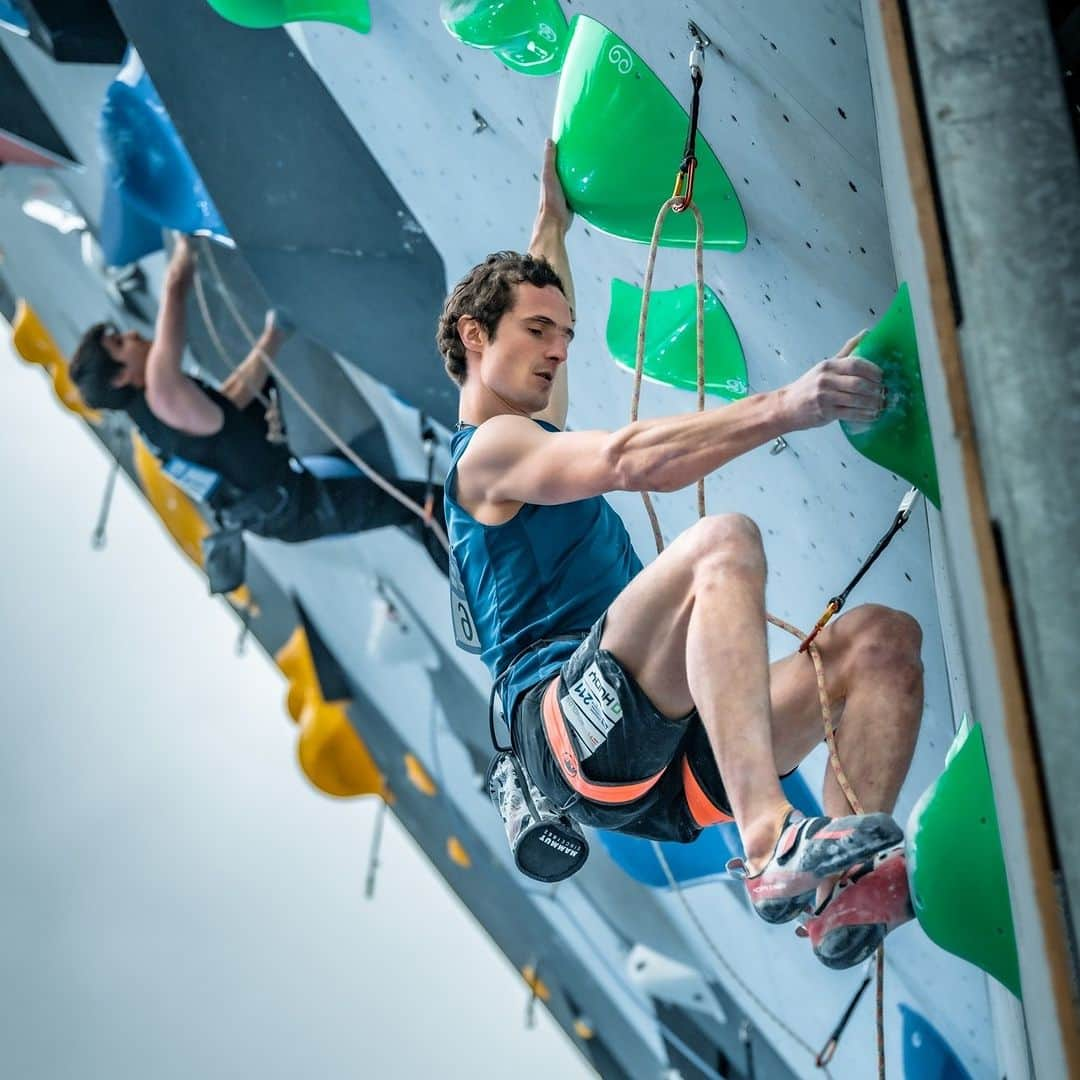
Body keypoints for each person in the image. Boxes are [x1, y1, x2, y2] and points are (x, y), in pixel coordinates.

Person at [439, 141, 923, 969]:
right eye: (538, 332)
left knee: (881, 644)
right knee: (721, 547)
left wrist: (552, 222)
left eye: (566, 334)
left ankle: (845, 896)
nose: (559, 350)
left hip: (660, 765)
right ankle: (771, 843)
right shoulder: (484, 456)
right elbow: (630, 461)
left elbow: (543, 290)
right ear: (474, 337)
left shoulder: (528, 422)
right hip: (572, 729)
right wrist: (787, 405)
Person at [71, 236, 448, 581]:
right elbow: (173, 289)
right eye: (120, 343)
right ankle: (491, 598)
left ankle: (481, 567)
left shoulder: (162, 418)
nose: (133, 336)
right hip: (298, 505)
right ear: (120, 378)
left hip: (287, 506)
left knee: (415, 508)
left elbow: (232, 397)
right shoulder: (161, 393)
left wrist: (274, 337)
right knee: (422, 506)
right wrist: (183, 242)